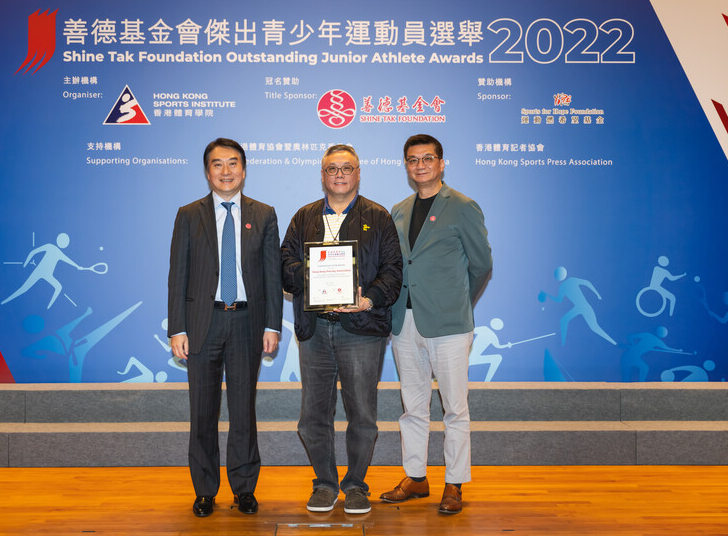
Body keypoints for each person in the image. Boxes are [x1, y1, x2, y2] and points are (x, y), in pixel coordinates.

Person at [281, 144, 402, 515]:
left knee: (362, 413)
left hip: (361, 328)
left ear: (358, 173)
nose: (339, 174)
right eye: (331, 168)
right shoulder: (303, 217)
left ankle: (356, 485)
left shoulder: (378, 217)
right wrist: (312, 277)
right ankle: (324, 483)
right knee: (313, 415)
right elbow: (284, 265)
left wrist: (368, 300)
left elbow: (393, 272)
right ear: (322, 175)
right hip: (315, 329)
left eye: (346, 168)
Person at [167, 138, 282, 517]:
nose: (226, 171)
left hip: (248, 321)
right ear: (207, 171)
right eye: (218, 164)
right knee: (202, 411)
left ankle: (244, 489)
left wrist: (272, 324)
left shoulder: (264, 214)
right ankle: (204, 490)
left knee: (243, 411)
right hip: (203, 322)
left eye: (233, 163)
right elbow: (177, 275)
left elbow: (271, 275)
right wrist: (177, 328)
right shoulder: (188, 214)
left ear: (244, 170)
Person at [381, 134, 492, 515]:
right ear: (406, 166)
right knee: (412, 406)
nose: (420, 165)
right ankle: (415, 477)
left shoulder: (462, 206)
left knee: (454, 408)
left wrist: (457, 302)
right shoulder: (398, 209)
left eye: (428, 158)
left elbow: (481, 266)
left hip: (448, 323)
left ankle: (454, 482)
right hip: (403, 320)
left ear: (442, 163)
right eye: (412, 159)